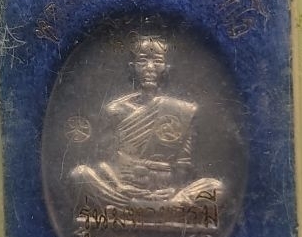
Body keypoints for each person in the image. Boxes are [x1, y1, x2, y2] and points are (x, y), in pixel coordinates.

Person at [72, 35, 223, 207]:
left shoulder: (182, 110)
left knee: (215, 188)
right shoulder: (115, 110)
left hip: (166, 193)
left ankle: (150, 207)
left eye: (157, 62)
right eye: (142, 61)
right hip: (124, 192)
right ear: (132, 67)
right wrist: (119, 186)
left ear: (166, 68)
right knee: (80, 175)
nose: (149, 68)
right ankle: (154, 209)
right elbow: (104, 161)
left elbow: (183, 164)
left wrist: (174, 189)